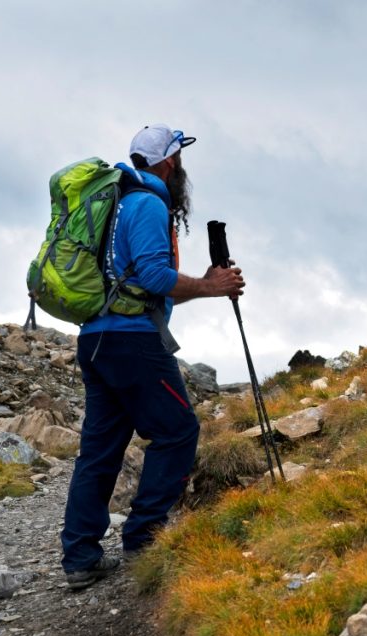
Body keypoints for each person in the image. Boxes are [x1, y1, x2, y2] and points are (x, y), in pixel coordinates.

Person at [60, 124, 245, 589]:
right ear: (167, 163)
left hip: (98, 339)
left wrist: (202, 286)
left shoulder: (117, 206)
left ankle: (80, 556)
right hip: (133, 344)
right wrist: (210, 286)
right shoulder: (146, 203)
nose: (182, 169)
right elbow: (156, 278)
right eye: (179, 159)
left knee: (99, 451)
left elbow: (140, 286)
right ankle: (145, 540)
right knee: (179, 431)